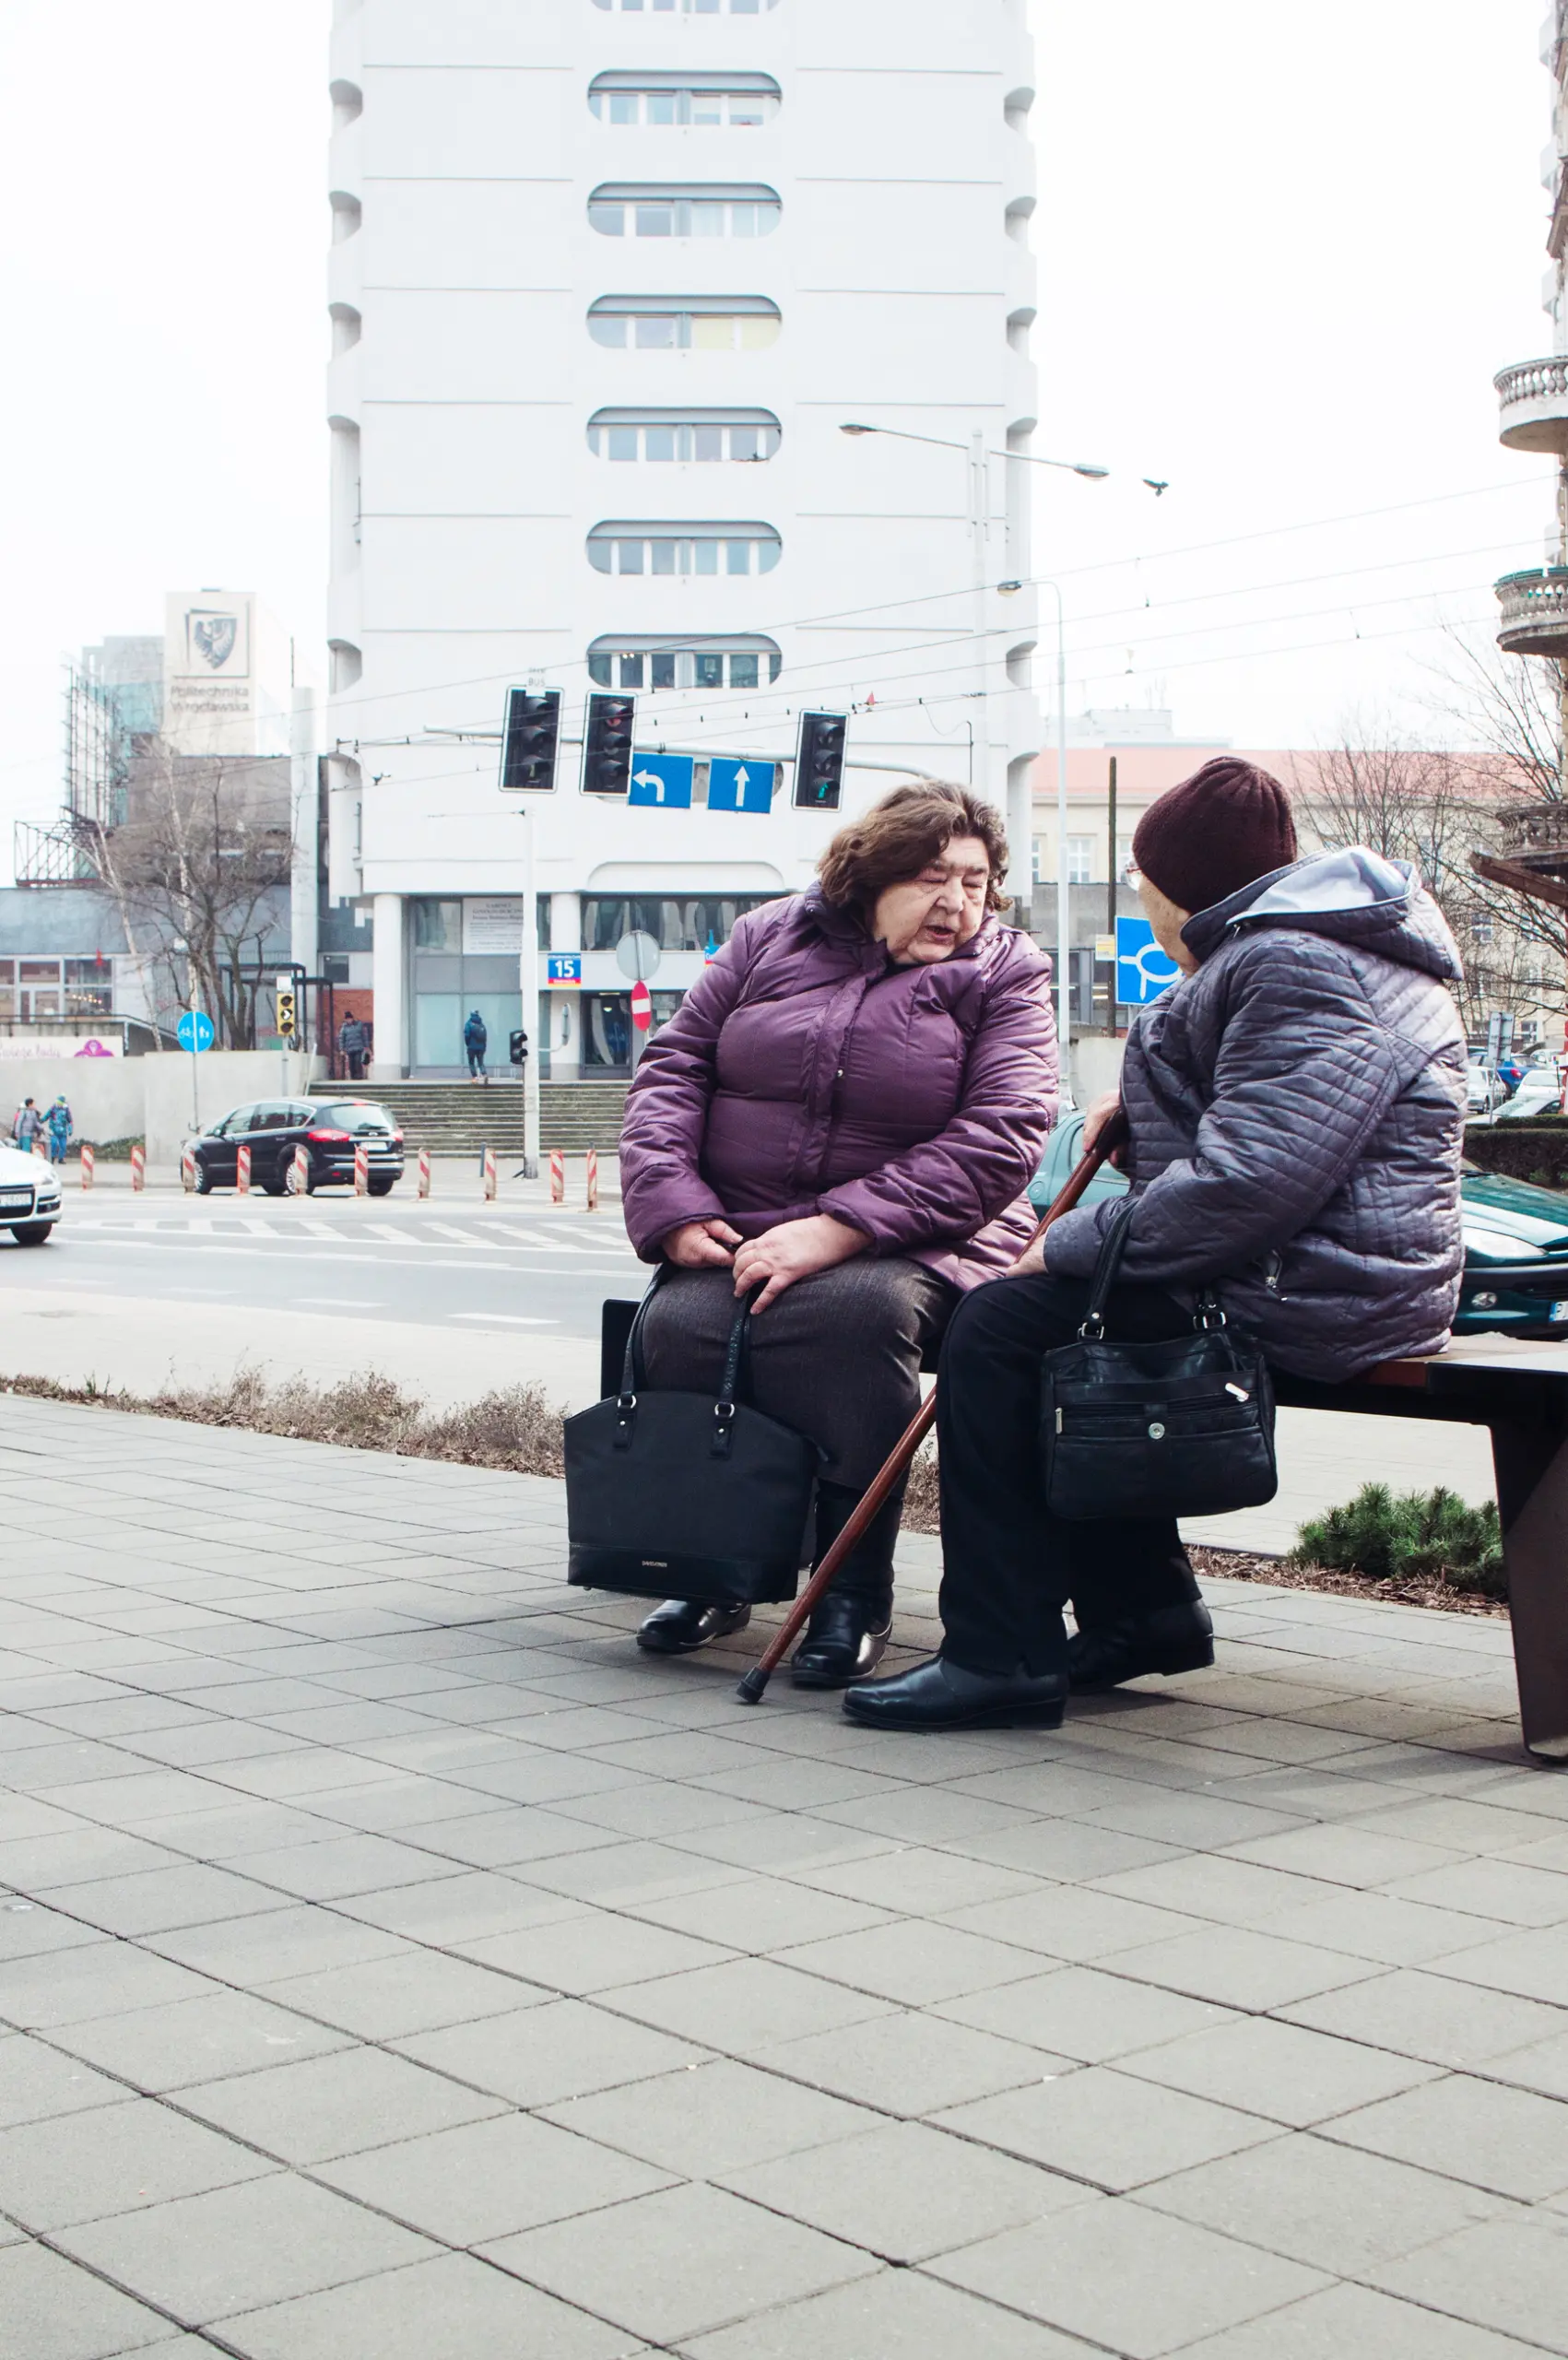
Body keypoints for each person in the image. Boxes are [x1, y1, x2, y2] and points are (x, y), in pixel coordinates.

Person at [847, 758, 1468, 1732]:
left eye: (1146, 884)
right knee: (1064, 1325)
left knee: (1003, 1325)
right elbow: (1284, 1123)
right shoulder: (1314, 947)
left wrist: (1067, 1247)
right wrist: (1144, 1108)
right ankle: (1146, 1616)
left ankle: (999, 1654)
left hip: (1313, 1286)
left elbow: (1248, 1183)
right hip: (1329, 1266)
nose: (1143, 905)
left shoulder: (1294, 961)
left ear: (1184, 887)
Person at [619, 779, 1056, 1686]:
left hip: (922, 1243)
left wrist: (839, 1229)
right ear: (871, 873)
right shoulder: (767, 937)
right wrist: (674, 1205)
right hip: (745, 1226)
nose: (957, 902)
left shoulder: (1008, 971)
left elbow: (1003, 1135)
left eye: (975, 881)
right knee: (680, 1323)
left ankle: (852, 1587)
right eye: (933, 876)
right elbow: (673, 1070)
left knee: (851, 1318)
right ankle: (714, 1564)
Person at [338, 1009, 370, 1082]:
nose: (348, 1020)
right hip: (349, 1049)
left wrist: (367, 1046)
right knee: (351, 1064)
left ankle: (359, 1076)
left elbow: (364, 1035)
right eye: (347, 1019)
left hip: (358, 1048)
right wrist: (342, 1049)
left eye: (349, 1018)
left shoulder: (359, 1025)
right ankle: (353, 1077)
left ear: (352, 1018)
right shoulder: (344, 1027)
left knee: (357, 1061)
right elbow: (341, 1038)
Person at [44, 1095, 73, 1165]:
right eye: (58, 1102)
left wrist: (70, 1130)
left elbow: (70, 1121)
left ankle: (61, 1159)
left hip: (63, 1132)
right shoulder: (53, 1108)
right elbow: (46, 1116)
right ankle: (52, 1158)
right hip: (53, 1130)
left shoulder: (66, 1110)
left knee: (63, 1146)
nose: (58, 1104)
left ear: (63, 1103)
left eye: (60, 1102)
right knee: (54, 1144)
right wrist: (40, 1121)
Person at [464, 1008, 489, 1081]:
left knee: (471, 1062)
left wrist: (468, 1044)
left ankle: (475, 1077)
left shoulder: (468, 1024)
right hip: (481, 1047)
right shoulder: (481, 1024)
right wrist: (484, 1047)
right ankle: (484, 1075)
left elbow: (467, 1035)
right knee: (480, 1062)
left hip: (472, 1047)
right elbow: (485, 1037)